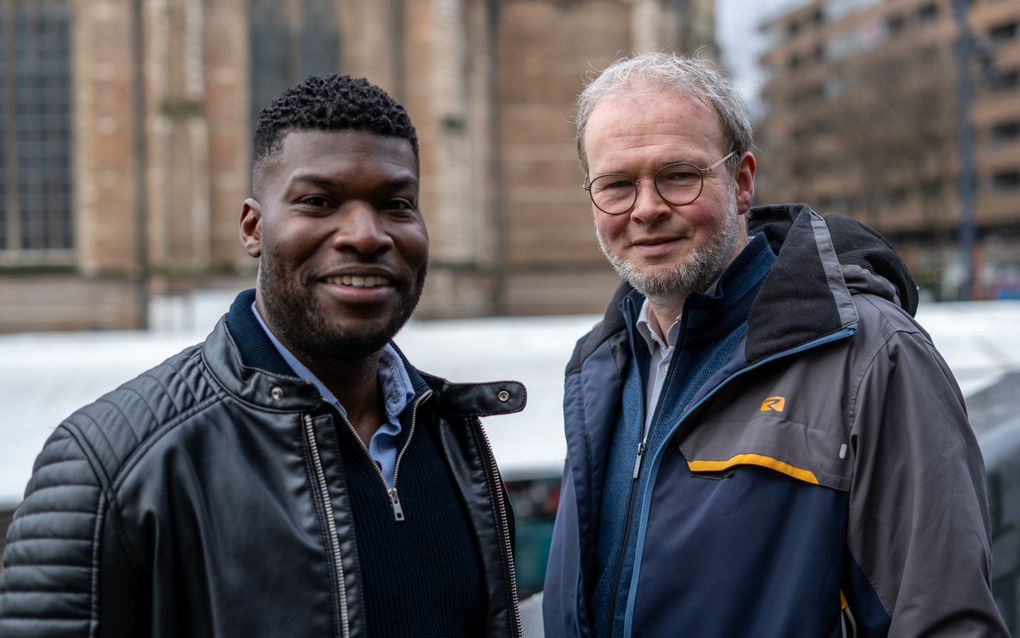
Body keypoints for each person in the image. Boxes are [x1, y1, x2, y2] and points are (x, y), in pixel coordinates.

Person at [0, 74, 525, 637]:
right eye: (319, 201)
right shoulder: (110, 463)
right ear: (253, 227)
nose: (366, 235)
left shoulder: (453, 438)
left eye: (396, 204)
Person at [542, 52, 1007, 637]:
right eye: (616, 185)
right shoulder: (600, 367)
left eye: (679, 176)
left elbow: (943, 620)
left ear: (741, 183)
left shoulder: (872, 355)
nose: (647, 208)